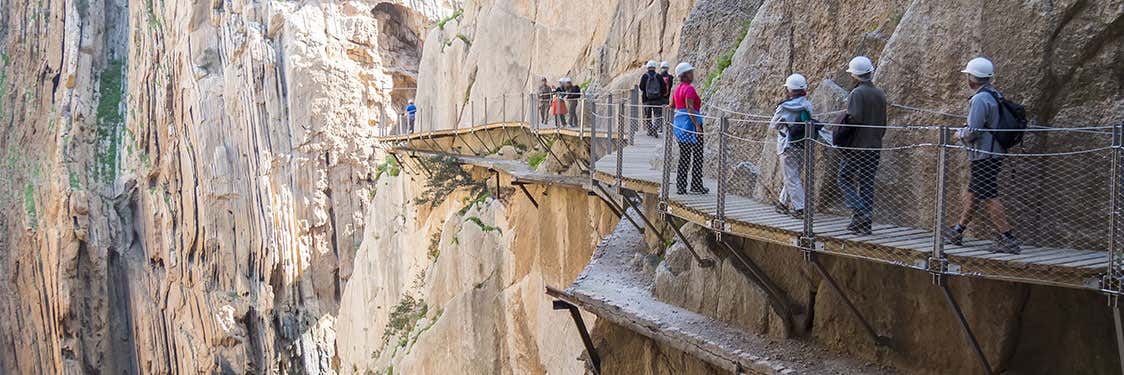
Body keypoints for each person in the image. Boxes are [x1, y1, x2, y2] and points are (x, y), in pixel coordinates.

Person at [944, 57, 1020, 254]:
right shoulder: (994, 94)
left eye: (968, 74)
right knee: (974, 193)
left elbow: (973, 131)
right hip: (993, 153)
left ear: (973, 77)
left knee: (989, 196)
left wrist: (959, 134)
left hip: (983, 155)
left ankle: (1008, 237)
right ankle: (958, 230)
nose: (967, 77)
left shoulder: (979, 99)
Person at [835, 56, 887, 235]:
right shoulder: (880, 93)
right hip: (874, 145)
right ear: (870, 72)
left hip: (857, 147)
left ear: (854, 76)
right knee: (866, 182)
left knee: (844, 178)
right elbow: (884, 122)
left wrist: (842, 127)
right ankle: (863, 224)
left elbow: (855, 117)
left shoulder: (857, 93)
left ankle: (861, 212)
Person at [771, 74, 814, 219]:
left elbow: (774, 125)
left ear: (790, 89)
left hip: (787, 145)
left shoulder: (784, 107)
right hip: (802, 144)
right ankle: (783, 203)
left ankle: (801, 208)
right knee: (792, 175)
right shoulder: (807, 104)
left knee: (791, 177)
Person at [672, 62, 708, 195]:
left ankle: (681, 186)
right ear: (685, 75)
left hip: (679, 125)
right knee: (698, 155)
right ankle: (696, 185)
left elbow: (672, 105)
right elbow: (690, 108)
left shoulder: (677, 89)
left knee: (684, 156)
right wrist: (697, 126)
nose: (693, 74)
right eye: (690, 72)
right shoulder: (689, 89)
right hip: (691, 124)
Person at [639, 60, 666, 137]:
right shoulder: (658, 76)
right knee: (658, 115)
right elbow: (664, 88)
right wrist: (660, 95)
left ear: (647, 67)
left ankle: (649, 130)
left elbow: (641, 87)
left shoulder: (644, 76)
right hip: (657, 100)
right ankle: (655, 128)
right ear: (655, 67)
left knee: (648, 115)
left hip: (646, 100)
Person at [658, 61, 675, 128]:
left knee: (659, 113)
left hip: (659, 98)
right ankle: (666, 127)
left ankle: (660, 127)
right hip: (667, 97)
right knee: (666, 113)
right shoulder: (671, 77)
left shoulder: (658, 76)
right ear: (668, 68)